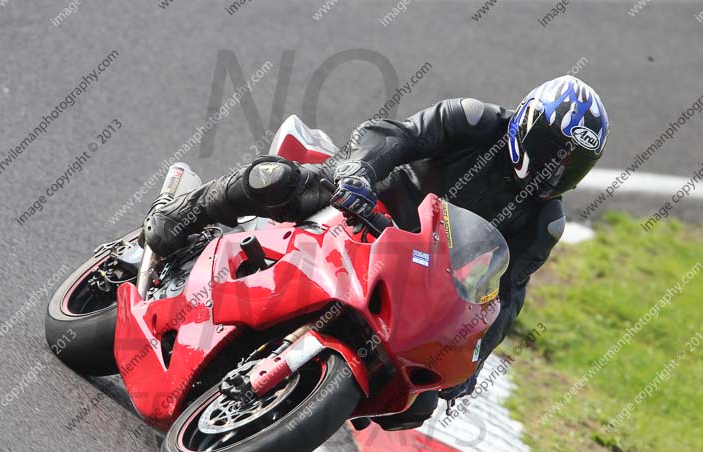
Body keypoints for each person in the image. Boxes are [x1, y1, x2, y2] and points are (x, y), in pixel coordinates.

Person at [141, 75, 609, 429]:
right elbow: (395, 134)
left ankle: (299, 402)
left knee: (417, 402)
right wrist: (357, 174)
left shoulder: (545, 221)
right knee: (280, 181)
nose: (558, 168)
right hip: (368, 201)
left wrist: (475, 358)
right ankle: (183, 211)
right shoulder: (474, 120)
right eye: (555, 151)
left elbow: (507, 295)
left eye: (574, 163)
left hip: (417, 270)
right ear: (528, 127)